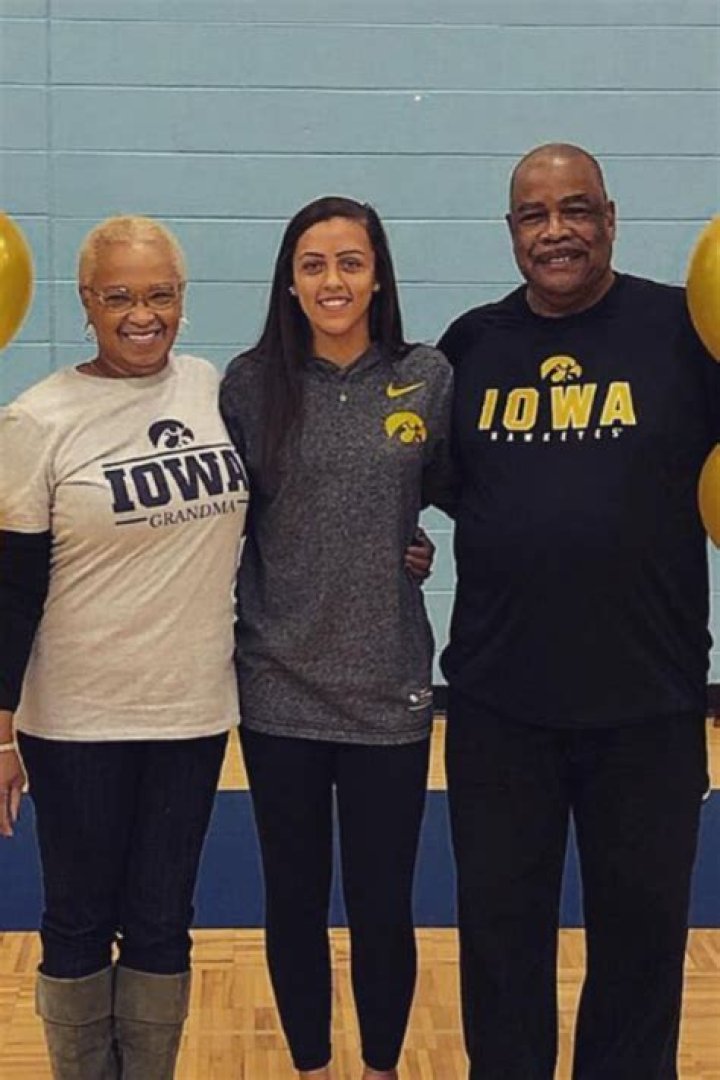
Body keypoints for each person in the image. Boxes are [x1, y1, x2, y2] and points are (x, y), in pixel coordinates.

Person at [437, 142, 720, 1079]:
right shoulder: (472, 345)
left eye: (576, 209)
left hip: (650, 707)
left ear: (610, 218)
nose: (556, 231)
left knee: (642, 951)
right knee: (499, 948)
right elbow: (436, 487)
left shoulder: (684, 333)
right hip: (498, 711)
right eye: (535, 215)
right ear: (511, 231)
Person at [0, 216, 249, 1080]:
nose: (142, 315)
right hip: (75, 722)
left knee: (162, 922)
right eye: (119, 297)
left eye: (159, 295)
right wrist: (0, 733)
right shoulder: (37, 419)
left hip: (191, 713)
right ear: (86, 302)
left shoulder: (210, 388)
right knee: (77, 921)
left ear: (182, 298)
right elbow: (11, 589)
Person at [220, 195, 453, 1080]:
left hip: (388, 685)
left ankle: (381, 1068)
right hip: (277, 683)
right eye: (313, 265)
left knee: (383, 903)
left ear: (378, 276)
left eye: (350, 262)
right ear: (289, 281)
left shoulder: (428, 377)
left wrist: (416, 545)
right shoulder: (249, 386)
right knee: (294, 899)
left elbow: (463, 492)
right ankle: (313, 1068)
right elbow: (225, 524)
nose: (333, 281)